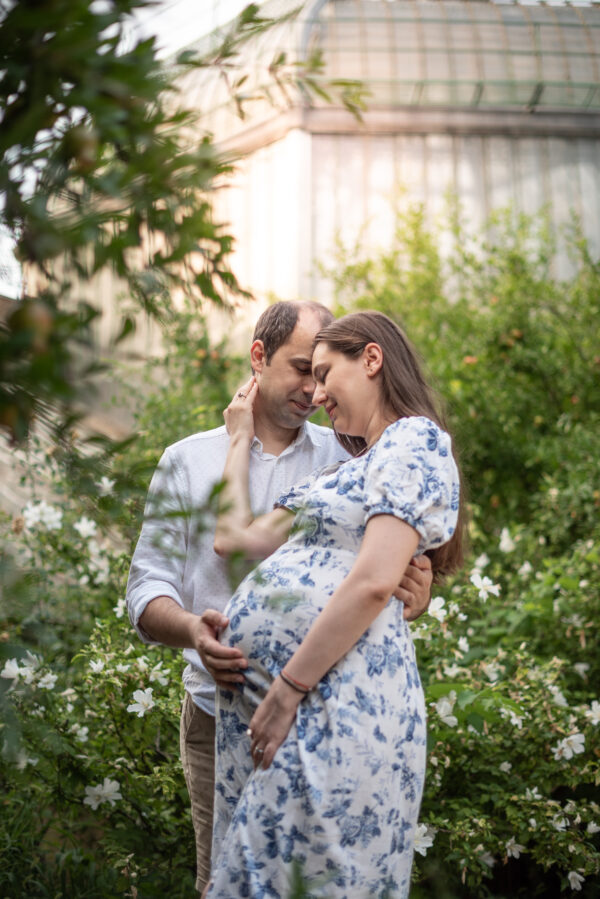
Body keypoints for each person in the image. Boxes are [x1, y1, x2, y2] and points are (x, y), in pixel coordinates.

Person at [125, 301, 434, 894]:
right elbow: (146, 587)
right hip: (220, 715)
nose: (314, 391)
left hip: (326, 716)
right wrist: (192, 631)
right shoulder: (187, 462)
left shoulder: (349, 455)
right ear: (258, 357)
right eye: (300, 369)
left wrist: (414, 592)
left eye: (322, 374)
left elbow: (390, 571)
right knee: (225, 881)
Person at [206, 310, 464, 898]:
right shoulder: (341, 474)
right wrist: (239, 438)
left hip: (330, 703)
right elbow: (234, 538)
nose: (317, 394)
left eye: (324, 374)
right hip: (279, 711)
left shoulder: (415, 439)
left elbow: (374, 581)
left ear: (371, 359)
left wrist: (288, 687)